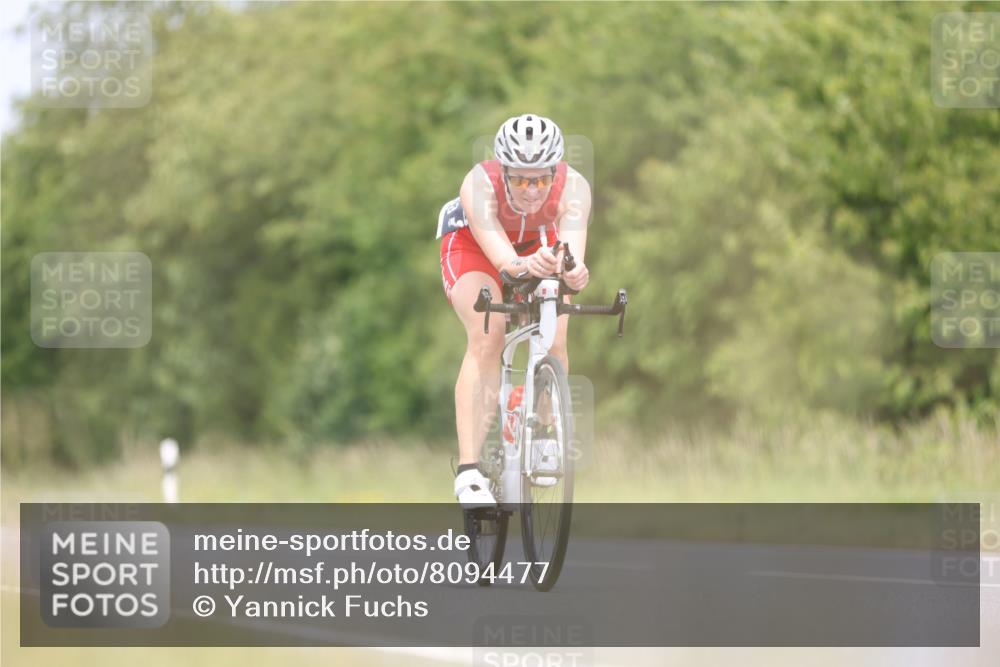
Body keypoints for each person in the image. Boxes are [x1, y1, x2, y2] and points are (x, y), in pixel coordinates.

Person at [437, 114, 592, 507]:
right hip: (475, 247)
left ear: (555, 172)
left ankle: (541, 429)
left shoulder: (574, 187)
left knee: (556, 333)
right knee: (489, 332)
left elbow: (571, 256)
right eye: (521, 180)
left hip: (536, 244)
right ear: (503, 172)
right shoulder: (478, 185)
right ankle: (469, 471)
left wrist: (574, 273)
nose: (532, 190)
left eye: (541, 180)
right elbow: (505, 262)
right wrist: (525, 266)